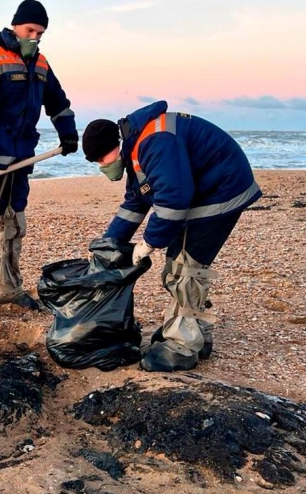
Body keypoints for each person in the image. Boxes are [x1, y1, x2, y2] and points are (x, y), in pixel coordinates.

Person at [81, 100, 262, 372]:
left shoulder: (154, 142)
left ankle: (182, 346)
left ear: (114, 147)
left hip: (221, 191)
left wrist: (148, 243)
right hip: (206, 189)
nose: (101, 166)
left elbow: (174, 200)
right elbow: (135, 202)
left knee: (185, 268)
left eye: (100, 159)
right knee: (181, 264)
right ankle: (195, 332)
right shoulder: (136, 148)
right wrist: (108, 244)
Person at [0, 0, 79, 323]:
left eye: (40, 33)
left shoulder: (40, 63)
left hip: (21, 158)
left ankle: (8, 288)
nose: (35, 37)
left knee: (14, 223)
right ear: (16, 25)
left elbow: (58, 101)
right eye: (31, 30)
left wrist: (68, 133)